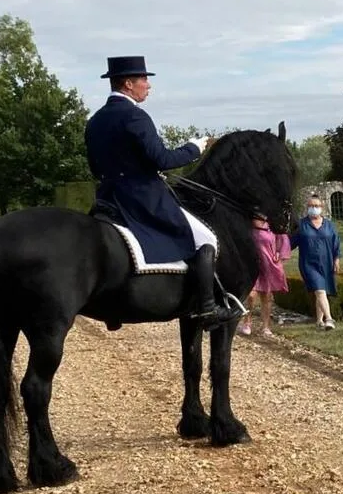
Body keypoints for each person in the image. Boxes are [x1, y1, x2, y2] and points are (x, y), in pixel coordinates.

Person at [84, 55, 232, 328]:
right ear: (128, 84)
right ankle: (207, 309)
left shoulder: (95, 121)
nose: (148, 85)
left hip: (107, 197)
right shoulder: (135, 116)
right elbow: (161, 159)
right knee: (206, 239)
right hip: (142, 198)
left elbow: (95, 166)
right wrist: (193, 148)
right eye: (144, 79)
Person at [291, 194, 341, 330]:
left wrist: (336, 259)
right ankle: (329, 319)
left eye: (316, 205)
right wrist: (278, 252)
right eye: (311, 206)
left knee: (322, 290)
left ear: (322, 207)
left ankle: (319, 321)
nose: (314, 208)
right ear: (307, 207)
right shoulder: (301, 225)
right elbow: (290, 243)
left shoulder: (329, 225)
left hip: (326, 263)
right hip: (308, 264)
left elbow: (336, 243)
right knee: (319, 289)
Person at [242, 214, 291, 338]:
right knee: (251, 296)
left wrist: (279, 253)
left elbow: (283, 239)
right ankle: (247, 321)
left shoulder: (272, 224)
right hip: (252, 265)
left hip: (268, 264)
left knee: (266, 296)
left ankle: (266, 326)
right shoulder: (248, 223)